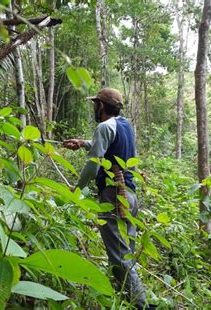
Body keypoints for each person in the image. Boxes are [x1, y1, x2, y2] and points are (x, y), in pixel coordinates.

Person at [63, 88, 150, 309]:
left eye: (96, 104)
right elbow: (107, 146)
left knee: (119, 256)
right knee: (126, 252)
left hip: (113, 195)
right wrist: (83, 143)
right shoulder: (125, 125)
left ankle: (140, 305)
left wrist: (77, 187)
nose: (95, 108)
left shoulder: (104, 126)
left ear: (101, 106)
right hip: (129, 194)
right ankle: (129, 299)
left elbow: (93, 164)